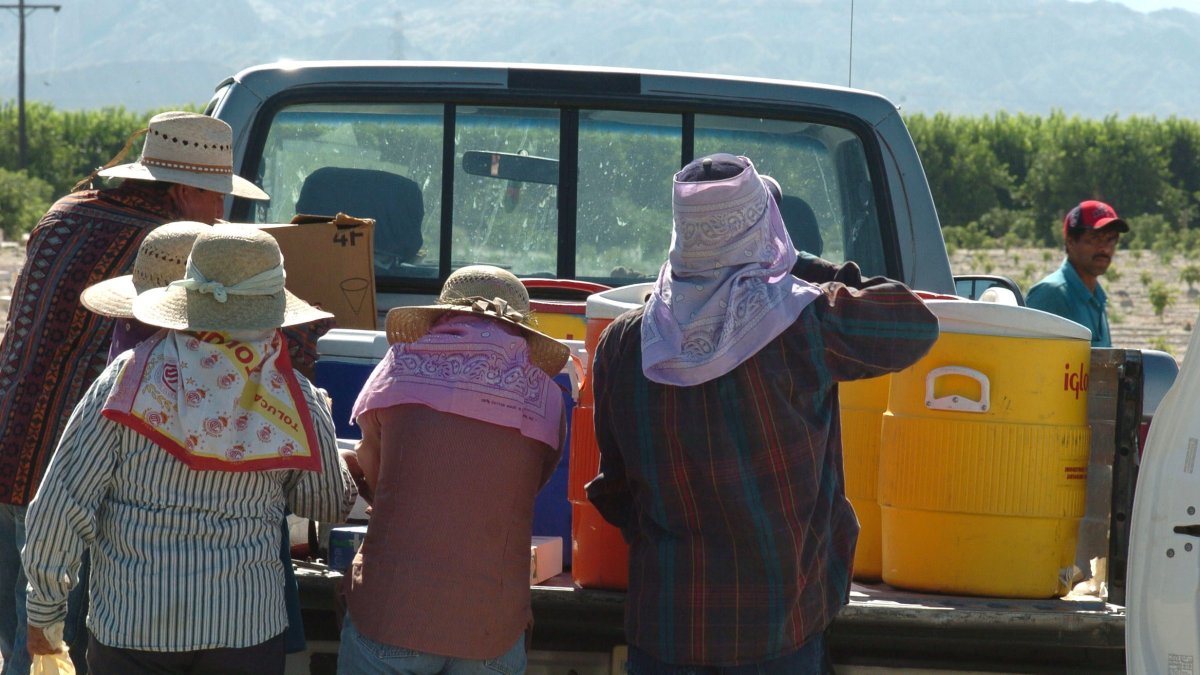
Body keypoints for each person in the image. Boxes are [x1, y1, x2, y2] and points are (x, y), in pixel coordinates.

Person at [585, 154, 939, 674]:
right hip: (778, 624)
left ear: (684, 233)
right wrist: (798, 264)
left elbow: (615, 488)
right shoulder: (803, 323)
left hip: (666, 626)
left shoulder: (625, 342)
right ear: (764, 228)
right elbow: (914, 323)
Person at [0, 111, 268, 675]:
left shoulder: (65, 213)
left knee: (26, 641)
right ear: (180, 191)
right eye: (213, 197)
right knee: (61, 647)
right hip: (72, 473)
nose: (220, 212)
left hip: (9, 446)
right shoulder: (165, 252)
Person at [22, 225, 357, 674]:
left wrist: (45, 613)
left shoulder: (126, 380)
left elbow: (61, 503)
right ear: (273, 309)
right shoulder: (293, 398)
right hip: (244, 630)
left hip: (131, 625)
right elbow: (328, 502)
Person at [337, 265, 569, 674]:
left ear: (444, 314)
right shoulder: (546, 397)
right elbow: (523, 488)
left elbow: (373, 472)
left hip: (392, 610)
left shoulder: (399, 367)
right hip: (491, 625)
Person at [1025, 200, 1129, 347]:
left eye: (1111, 240)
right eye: (1095, 238)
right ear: (1071, 242)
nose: (1104, 248)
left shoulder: (1097, 298)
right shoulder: (1052, 294)